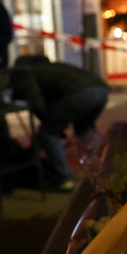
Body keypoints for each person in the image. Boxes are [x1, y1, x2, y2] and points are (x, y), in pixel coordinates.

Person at [11, 55, 109, 190]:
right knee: (85, 130)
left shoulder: (30, 72)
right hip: (101, 90)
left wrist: (49, 122)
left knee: (48, 133)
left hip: (80, 93)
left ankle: (64, 179)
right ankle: (101, 169)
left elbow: (37, 102)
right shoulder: (52, 67)